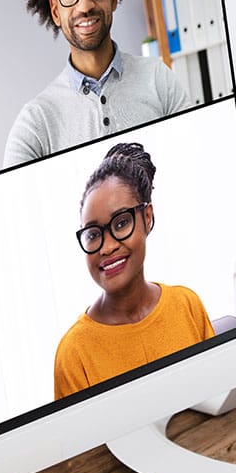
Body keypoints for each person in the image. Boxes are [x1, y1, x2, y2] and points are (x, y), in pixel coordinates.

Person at [5, 0, 191, 167]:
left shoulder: (158, 79)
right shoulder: (36, 123)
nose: (84, 5)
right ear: (55, 11)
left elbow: (194, 156)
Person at [52, 142, 212, 398]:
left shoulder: (187, 306)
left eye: (122, 222)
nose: (108, 246)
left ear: (147, 217)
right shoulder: (74, 352)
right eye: (93, 234)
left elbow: (219, 395)